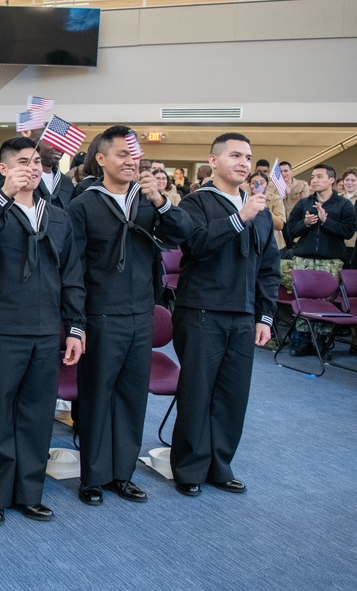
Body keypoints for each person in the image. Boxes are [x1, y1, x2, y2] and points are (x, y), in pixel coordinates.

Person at [0, 136, 84, 526]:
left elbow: (74, 276)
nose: (32, 167)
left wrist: (76, 327)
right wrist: (4, 197)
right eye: (23, 162)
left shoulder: (58, 215)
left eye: (36, 162)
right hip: (1, 328)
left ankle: (29, 492)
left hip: (47, 330)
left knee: (36, 415)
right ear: (3, 169)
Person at [67, 125, 192, 507]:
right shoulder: (84, 204)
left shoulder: (147, 200)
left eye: (133, 154)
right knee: (97, 396)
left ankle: (122, 474)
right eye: (121, 154)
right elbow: (71, 269)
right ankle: (93, 477)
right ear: (101, 159)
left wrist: (161, 200)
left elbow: (182, 233)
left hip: (141, 313)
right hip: (101, 314)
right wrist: (77, 321)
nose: (129, 160)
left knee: (132, 397)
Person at [169, 132, 280, 496]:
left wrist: (264, 317)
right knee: (198, 392)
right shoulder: (195, 203)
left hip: (243, 316)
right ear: (214, 161)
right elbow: (196, 245)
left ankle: (220, 465)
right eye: (235, 155)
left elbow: (269, 267)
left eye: (248, 157)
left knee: (233, 396)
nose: (244, 163)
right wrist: (239, 218)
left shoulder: (259, 209)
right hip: (202, 310)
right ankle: (189, 468)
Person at [283, 164, 356, 356]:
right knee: (303, 300)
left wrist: (326, 222)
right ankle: (303, 342)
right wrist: (305, 224)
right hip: (303, 259)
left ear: (331, 180)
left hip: (330, 260)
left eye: (319, 177)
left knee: (325, 302)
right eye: (312, 177)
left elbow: (349, 231)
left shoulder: (344, 205)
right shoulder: (304, 203)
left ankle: (321, 343)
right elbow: (290, 230)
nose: (314, 180)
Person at [248, 171, 287, 250]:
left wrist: (265, 209)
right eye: (253, 183)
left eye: (261, 183)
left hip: (273, 245)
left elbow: (280, 225)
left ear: (267, 185)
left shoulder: (275, 199)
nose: (257, 185)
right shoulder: (245, 198)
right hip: (252, 244)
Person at [36, 141, 76, 209]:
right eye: (53, 141)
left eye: (62, 144)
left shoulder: (66, 183)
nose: (59, 148)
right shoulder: (25, 177)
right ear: (37, 142)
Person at [341, 166, 357, 266]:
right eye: (347, 180)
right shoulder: (336, 197)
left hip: (354, 243)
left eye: (353, 180)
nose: (349, 183)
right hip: (337, 243)